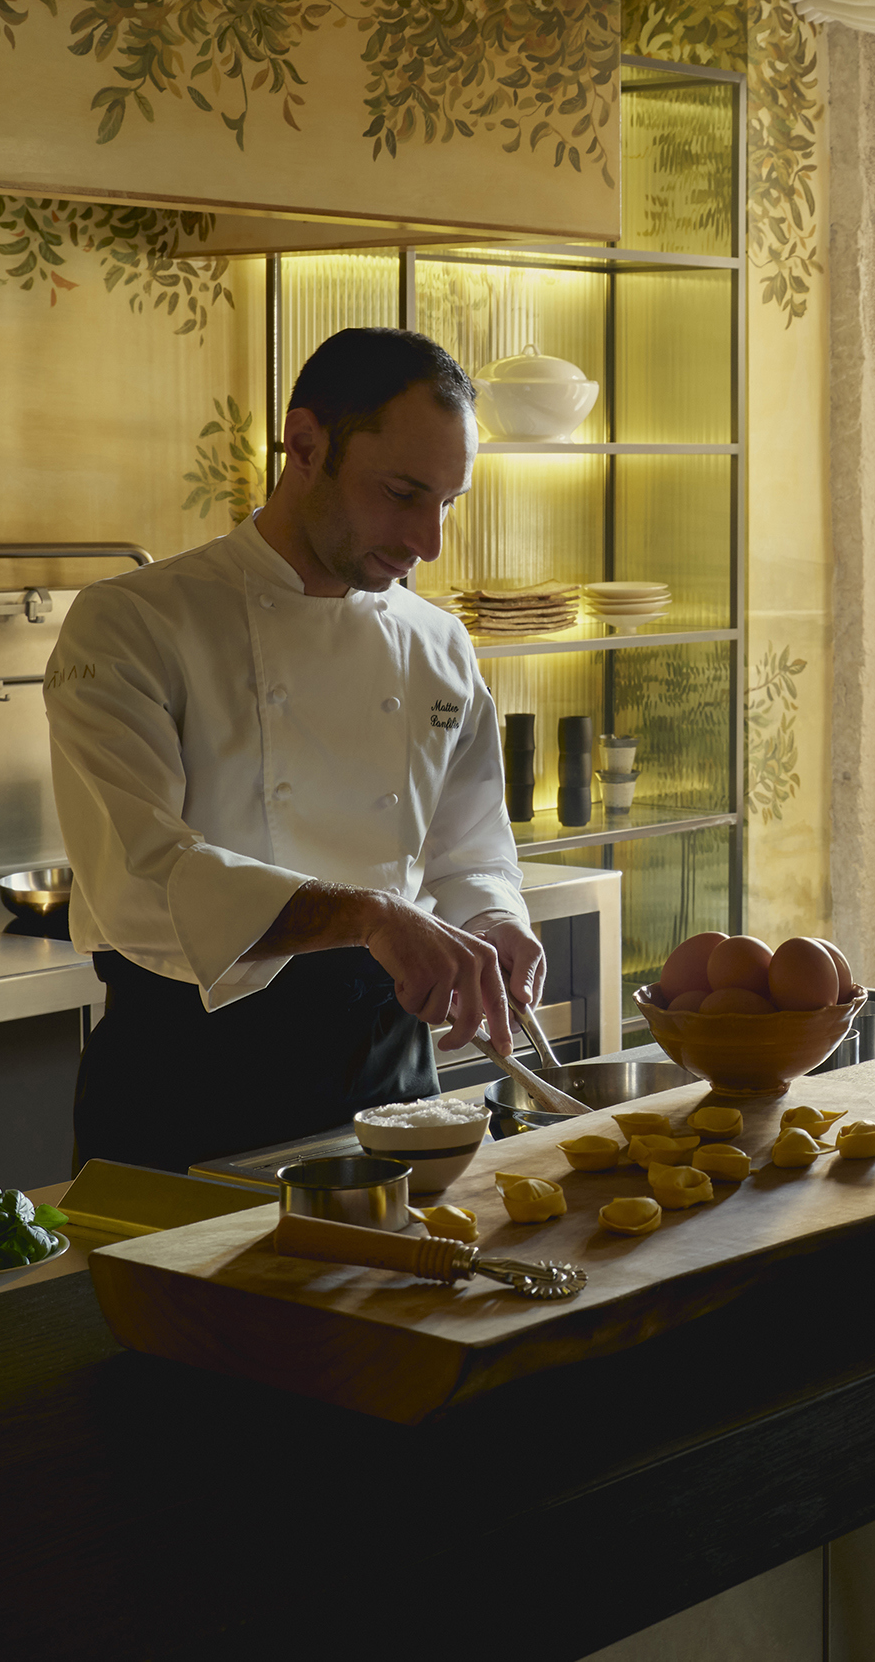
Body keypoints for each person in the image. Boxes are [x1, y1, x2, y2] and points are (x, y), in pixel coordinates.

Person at [46, 327, 540, 1172]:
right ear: (304, 444)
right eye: (401, 493)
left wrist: (493, 918)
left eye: (448, 503)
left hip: (394, 1085)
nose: (429, 541)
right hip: (190, 1089)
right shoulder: (135, 623)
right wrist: (370, 915)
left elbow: (468, 846)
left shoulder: (439, 645)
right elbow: (142, 880)